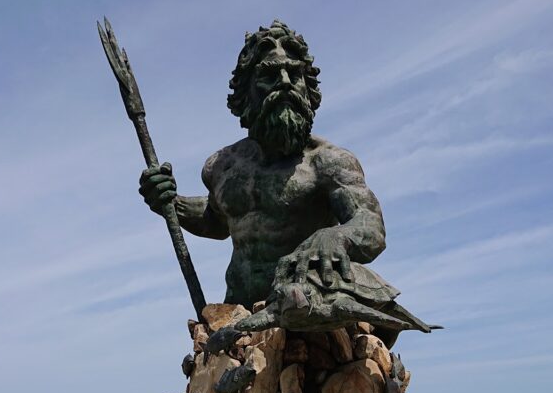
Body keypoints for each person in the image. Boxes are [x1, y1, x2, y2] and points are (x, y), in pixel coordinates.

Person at [139, 21, 405, 326]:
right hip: (238, 315)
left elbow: (370, 225)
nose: (285, 83)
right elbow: (217, 220)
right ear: (245, 94)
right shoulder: (222, 165)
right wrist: (170, 203)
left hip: (307, 314)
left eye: (294, 74)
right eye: (268, 75)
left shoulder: (328, 162)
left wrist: (335, 236)